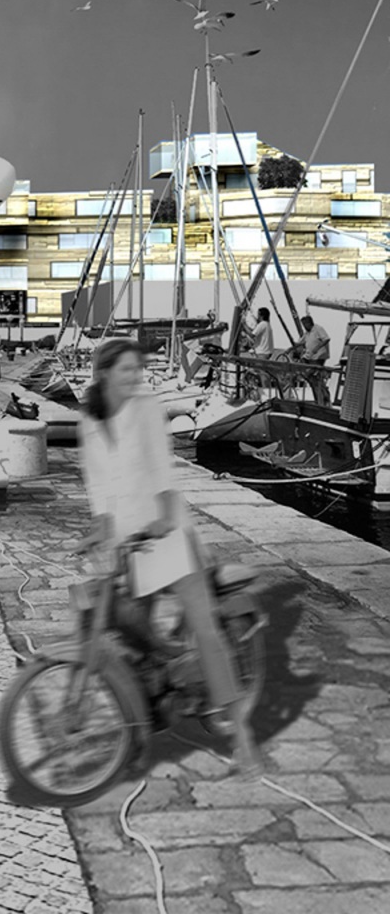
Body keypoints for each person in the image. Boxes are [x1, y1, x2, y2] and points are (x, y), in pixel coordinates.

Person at [78, 338, 264, 776]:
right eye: (126, 369)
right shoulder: (90, 417)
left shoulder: (146, 408)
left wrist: (162, 519)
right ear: (104, 373)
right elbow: (96, 480)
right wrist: (100, 527)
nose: (135, 376)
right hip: (126, 539)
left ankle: (243, 741)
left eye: (137, 369)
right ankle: (144, 719)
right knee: (129, 628)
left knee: (205, 628)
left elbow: (161, 468)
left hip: (165, 533)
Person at [295, 314, 332, 404]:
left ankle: (323, 397)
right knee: (311, 378)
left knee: (315, 376)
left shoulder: (318, 329)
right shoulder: (307, 333)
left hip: (318, 357)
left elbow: (326, 339)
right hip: (310, 357)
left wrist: (317, 347)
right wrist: (291, 348)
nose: (304, 327)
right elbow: (300, 342)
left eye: (305, 324)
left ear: (309, 323)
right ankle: (319, 398)